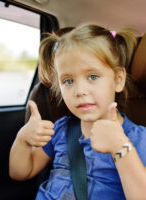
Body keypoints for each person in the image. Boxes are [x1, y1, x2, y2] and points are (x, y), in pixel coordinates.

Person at [9, 24, 146, 199]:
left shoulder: (138, 139)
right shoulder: (61, 130)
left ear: (118, 80)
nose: (80, 90)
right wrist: (22, 140)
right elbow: (20, 172)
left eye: (93, 77)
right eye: (68, 81)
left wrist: (120, 147)